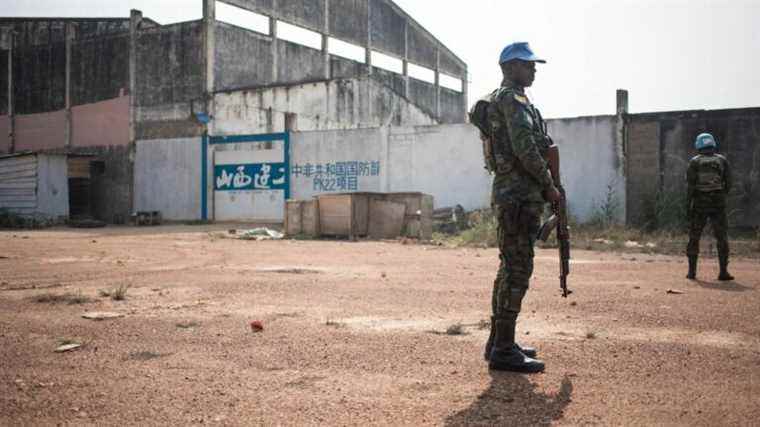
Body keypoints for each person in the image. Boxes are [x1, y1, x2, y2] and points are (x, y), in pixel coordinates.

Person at [481, 42, 561, 373]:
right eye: (528, 65)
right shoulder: (510, 100)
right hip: (518, 196)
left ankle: (499, 342)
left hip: (517, 195)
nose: (534, 69)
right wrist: (549, 186)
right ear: (511, 67)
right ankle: (503, 350)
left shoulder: (519, 100)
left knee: (509, 268)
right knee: (517, 270)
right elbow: (526, 148)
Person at [686, 132, 734, 281]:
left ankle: (692, 273)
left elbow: (691, 186)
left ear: (698, 145)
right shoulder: (722, 160)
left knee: (694, 236)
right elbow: (729, 182)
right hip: (718, 203)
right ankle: (723, 272)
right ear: (712, 143)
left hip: (700, 203)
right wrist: (720, 194)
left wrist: (688, 205)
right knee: (722, 237)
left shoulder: (695, 161)